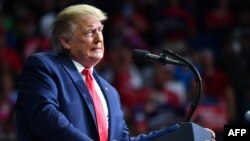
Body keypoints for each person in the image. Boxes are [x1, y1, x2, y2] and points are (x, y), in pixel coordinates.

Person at [15, 4, 215, 141]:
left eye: (100, 30)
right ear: (66, 41)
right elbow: (45, 118)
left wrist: (183, 135)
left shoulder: (110, 91)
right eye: (89, 32)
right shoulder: (44, 66)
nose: (98, 39)